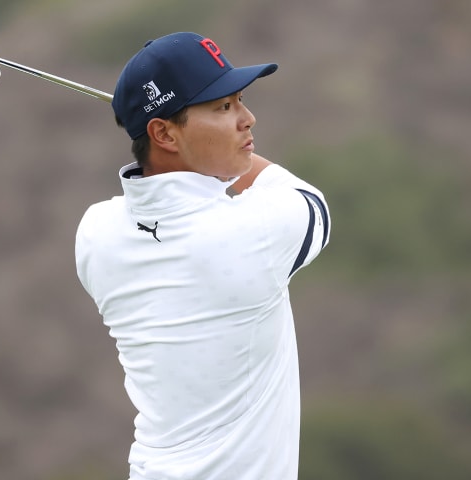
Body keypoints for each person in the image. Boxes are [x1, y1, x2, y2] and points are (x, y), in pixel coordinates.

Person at [75, 32, 331, 480]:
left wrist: (188, 142)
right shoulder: (253, 231)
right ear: (164, 133)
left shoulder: (95, 233)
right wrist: (228, 153)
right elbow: (313, 205)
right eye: (224, 108)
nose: (248, 120)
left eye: (239, 101)